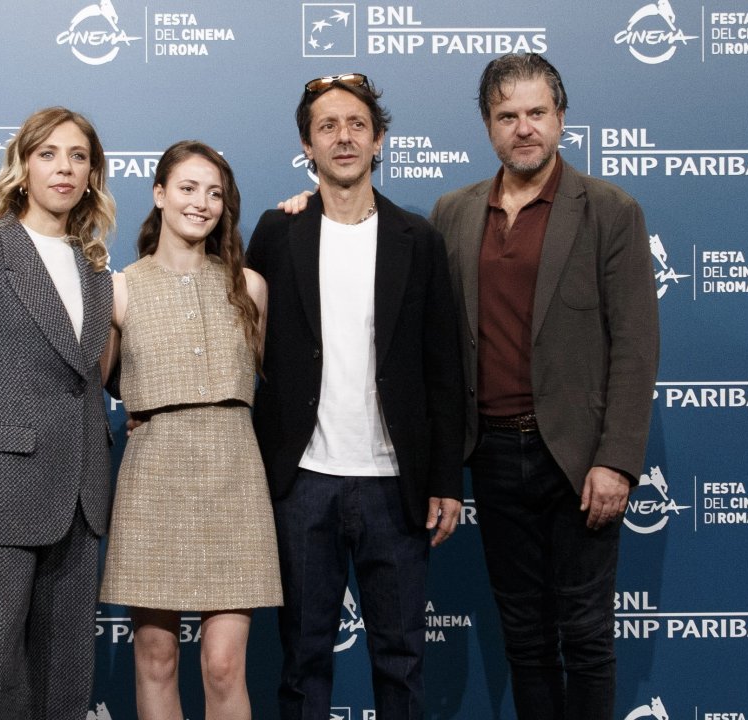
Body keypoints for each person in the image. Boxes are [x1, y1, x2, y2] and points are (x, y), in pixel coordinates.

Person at [429, 53, 659, 720]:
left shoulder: (610, 210)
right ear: (487, 126)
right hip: (494, 456)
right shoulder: (453, 212)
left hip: (580, 460)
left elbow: (636, 347)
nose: (522, 128)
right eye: (507, 116)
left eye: (536, 113)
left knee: (585, 637)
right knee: (524, 640)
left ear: (561, 119)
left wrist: (616, 460)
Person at [246, 73, 464, 720]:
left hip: (393, 486)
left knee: (401, 664)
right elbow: (241, 345)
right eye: (327, 127)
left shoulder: (418, 240)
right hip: (303, 482)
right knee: (302, 662)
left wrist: (446, 480)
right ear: (307, 148)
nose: (343, 137)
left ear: (379, 139)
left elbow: (444, 369)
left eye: (356, 125)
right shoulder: (276, 232)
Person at [0, 106, 116, 720]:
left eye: (78, 156)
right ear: (23, 165)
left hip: (80, 500)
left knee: (65, 679)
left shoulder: (94, 266)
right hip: (3, 498)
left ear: (92, 173)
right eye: (49, 154)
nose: (64, 168)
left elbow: (86, 384)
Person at [99, 140, 281, 720]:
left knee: (224, 665)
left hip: (233, 476)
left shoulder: (249, 286)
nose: (201, 203)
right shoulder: (119, 288)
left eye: (215, 193)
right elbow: (101, 385)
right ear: (158, 195)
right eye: (187, 188)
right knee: (156, 659)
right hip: (153, 479)